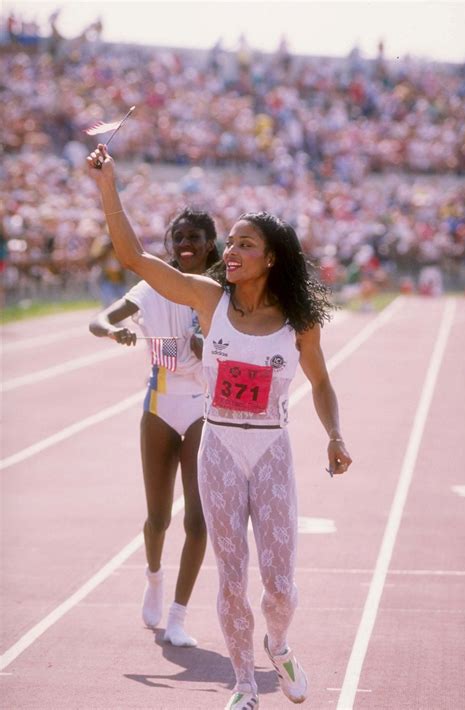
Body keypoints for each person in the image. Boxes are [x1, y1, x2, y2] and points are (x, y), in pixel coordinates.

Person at [87, 143, 352, 710]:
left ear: (272, 257)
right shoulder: (208, 299)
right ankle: (242, 686)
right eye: (228, 241)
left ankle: (277, 645)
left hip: (271, 451)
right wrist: (108, 184)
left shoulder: (298, 322)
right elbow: (134, 259)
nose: (229, 250)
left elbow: (322, 383)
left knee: (279, 586)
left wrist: (334, 434)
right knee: (231, 577)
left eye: (244, 243)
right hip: (220, 451)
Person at [89, 206, 219, 647]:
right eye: (178, 236)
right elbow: (98, 320)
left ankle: (179, 616)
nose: (185, 244)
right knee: (159, 518)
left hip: (203, 407)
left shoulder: (222, 292)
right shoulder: (152, 285)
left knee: (199, 521)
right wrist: (113, 331)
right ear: (169, 244)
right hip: (160, 407)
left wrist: (211, 350)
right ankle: (154, 577)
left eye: (194, 237)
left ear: (209, 243)